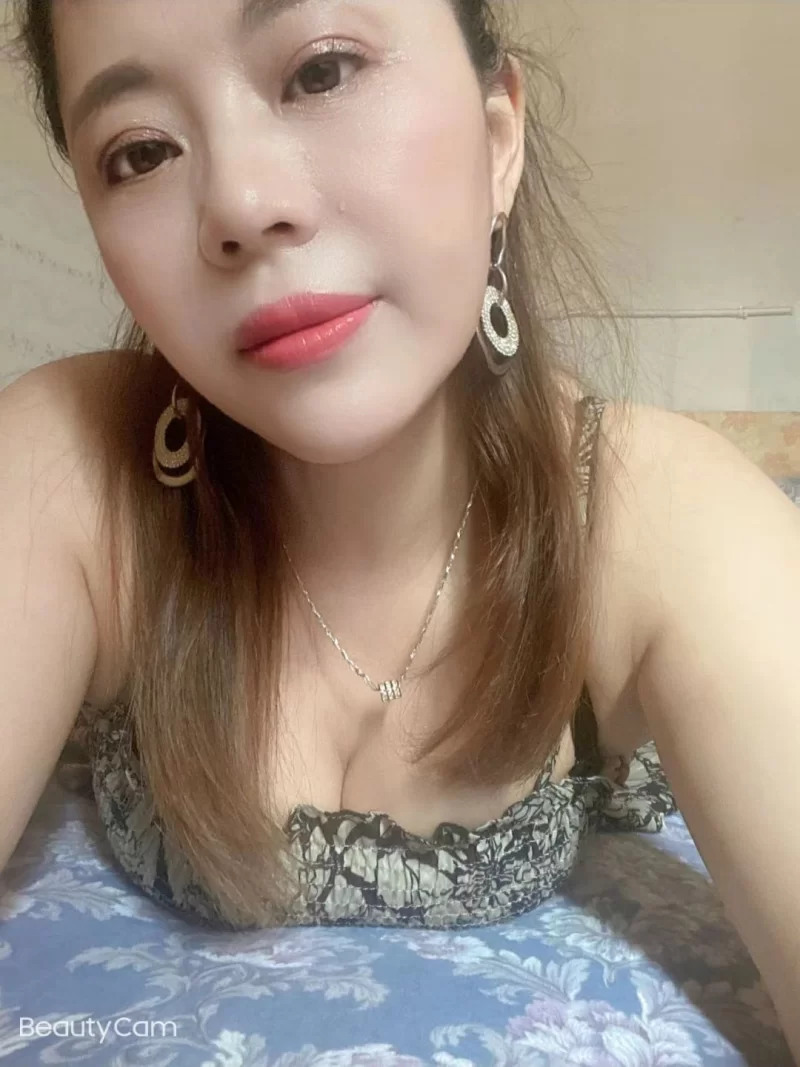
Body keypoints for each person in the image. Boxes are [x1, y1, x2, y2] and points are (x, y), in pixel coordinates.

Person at [1, 0, 798, 1059]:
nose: (240, 206)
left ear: (497, 140)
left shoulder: (655, 514)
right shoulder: (67, 467)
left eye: (322, 71)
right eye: (140, 151)